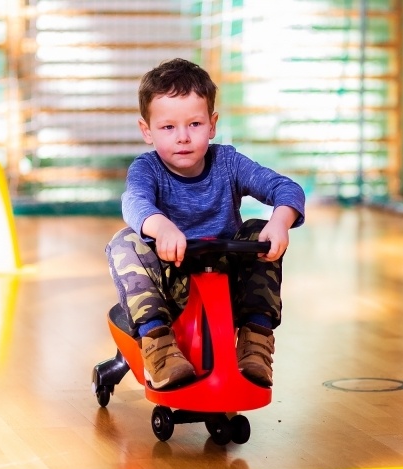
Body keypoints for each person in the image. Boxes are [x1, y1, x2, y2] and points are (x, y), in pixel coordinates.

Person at [106, 58, 305, 390]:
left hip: (228, 279)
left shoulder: (227, 161)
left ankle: (255, 341)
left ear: (212, 125)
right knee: (124, 242)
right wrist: (163, 227)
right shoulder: (147, 169)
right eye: (168, 127)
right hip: (172, 282)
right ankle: (158, 345)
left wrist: (280, 221)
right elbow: (135, 202)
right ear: (147, 131)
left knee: (259, 229)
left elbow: (287, 188)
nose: (183, 137)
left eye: (194, 125)